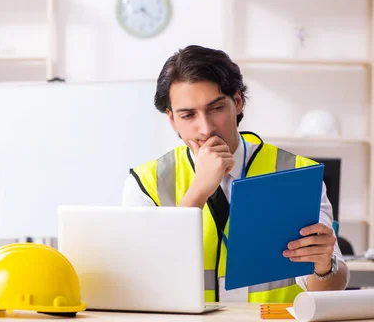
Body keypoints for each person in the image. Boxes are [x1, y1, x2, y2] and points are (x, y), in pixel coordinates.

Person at [122, 45, 349, 303]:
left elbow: (331, 288)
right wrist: (199, 190)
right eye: (188, 115)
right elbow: (144, 275)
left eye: (216, 108)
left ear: (238, 102)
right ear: (172, 119)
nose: (205, 128)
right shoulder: (145, 183)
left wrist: (323, 266)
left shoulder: (298, 173)